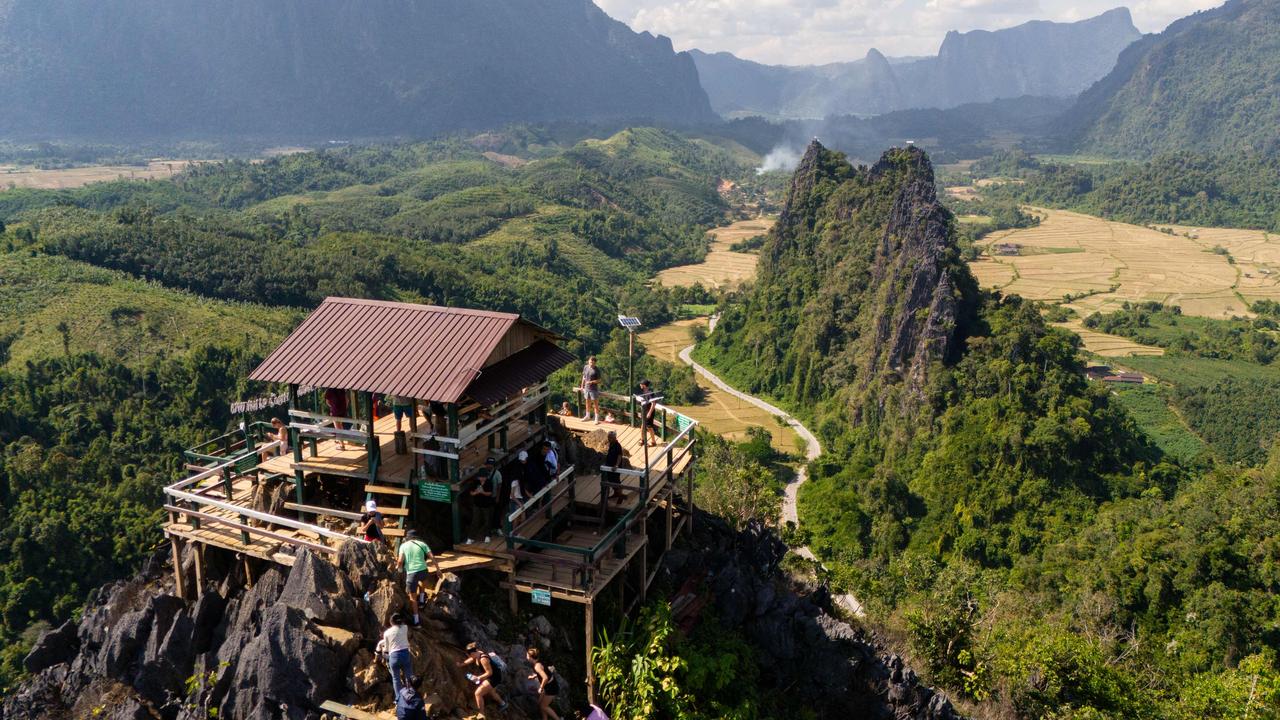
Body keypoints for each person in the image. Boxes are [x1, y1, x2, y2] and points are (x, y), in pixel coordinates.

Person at [395, 530, 440, 626]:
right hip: (423, 570)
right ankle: (422, 600)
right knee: (422, 581)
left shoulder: (403, 546)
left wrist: (399, 569)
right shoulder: (422, 544)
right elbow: (432, 557)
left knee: (412, 598)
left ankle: (416, 621)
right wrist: (438, 570)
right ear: (416, 537)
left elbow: (400, 561)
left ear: (407, 537)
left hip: (412, 573)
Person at [459, 642, 508, 712]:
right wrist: (462, 664)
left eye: (469, 655)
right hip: (494, 675)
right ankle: (503, 704)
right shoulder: (477, 653)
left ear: (472, 653)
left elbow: (489, 673)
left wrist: (478, 678)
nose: (469, 657)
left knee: (478, 694)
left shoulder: (483, 659)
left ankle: (481, 714)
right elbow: (471, 659)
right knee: (492, 693)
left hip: (494, 678)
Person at [376, 613, 413, 698]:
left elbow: (387, 649)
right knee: (409, 676)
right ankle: (411, 695)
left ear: (391, 622)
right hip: (405, 654)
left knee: (396, 679)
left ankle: (398, 699)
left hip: (394, 656)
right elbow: (402, 624)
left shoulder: (386, 633)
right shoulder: (405, 628)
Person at [466, 458, 498, 544]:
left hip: (487, 505)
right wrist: (477, 492)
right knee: (475, 521)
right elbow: (471, 493)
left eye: (483, 477)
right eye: (480, 477)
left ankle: (487, 536)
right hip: (477, 505)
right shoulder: (475, 482)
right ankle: (470, 537)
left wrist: (482, 492)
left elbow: (489, 493)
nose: (482, 478)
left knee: (487, 521)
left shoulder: (489, 482)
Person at [526, 647, 561, 720]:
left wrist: (541, 688)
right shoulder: (538, 662)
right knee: (540, 704)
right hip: (549, 684)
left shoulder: (536, 666)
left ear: (531, 657)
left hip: (551, 687)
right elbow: (544, 672)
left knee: (543, 706)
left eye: (527, 656)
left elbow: (545, 678)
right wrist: (534, 676)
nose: (526, 657)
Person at [602, 431, 626, 503]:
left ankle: (620, 496)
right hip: (609, 466)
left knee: (616, 481)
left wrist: (616, 465)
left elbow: (619, 456)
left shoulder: (617, 445)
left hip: (615, 467)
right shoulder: (611, 444)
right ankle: (616, 494)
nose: (609, 439)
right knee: (611, 480)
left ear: (615, 438)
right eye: (608, 437)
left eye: (610, 438)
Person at [638, 380, 660, 447]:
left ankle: (653, 442)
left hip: (649, 412)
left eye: (641, 384)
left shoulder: (650, 393)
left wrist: (649, 413)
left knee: (649, 427)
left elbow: (653, 403)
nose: (640, 385)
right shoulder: (645, 391)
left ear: (644, 385)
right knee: (643, 425)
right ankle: (642, 439)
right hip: (645, 410)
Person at [581, 356, 602, 423]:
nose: (591, 364)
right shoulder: (586, 367)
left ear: (595, 363)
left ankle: (596, 419)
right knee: (587, 402)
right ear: (588, 361)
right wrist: (582, 385)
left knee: (595, 404)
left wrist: (591, 382)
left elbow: (599, 380)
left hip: (593, 389)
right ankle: (587, 416)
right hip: (586, 388)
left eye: (593, 363)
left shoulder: (597, 370)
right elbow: (584, 377)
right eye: (590, 362)